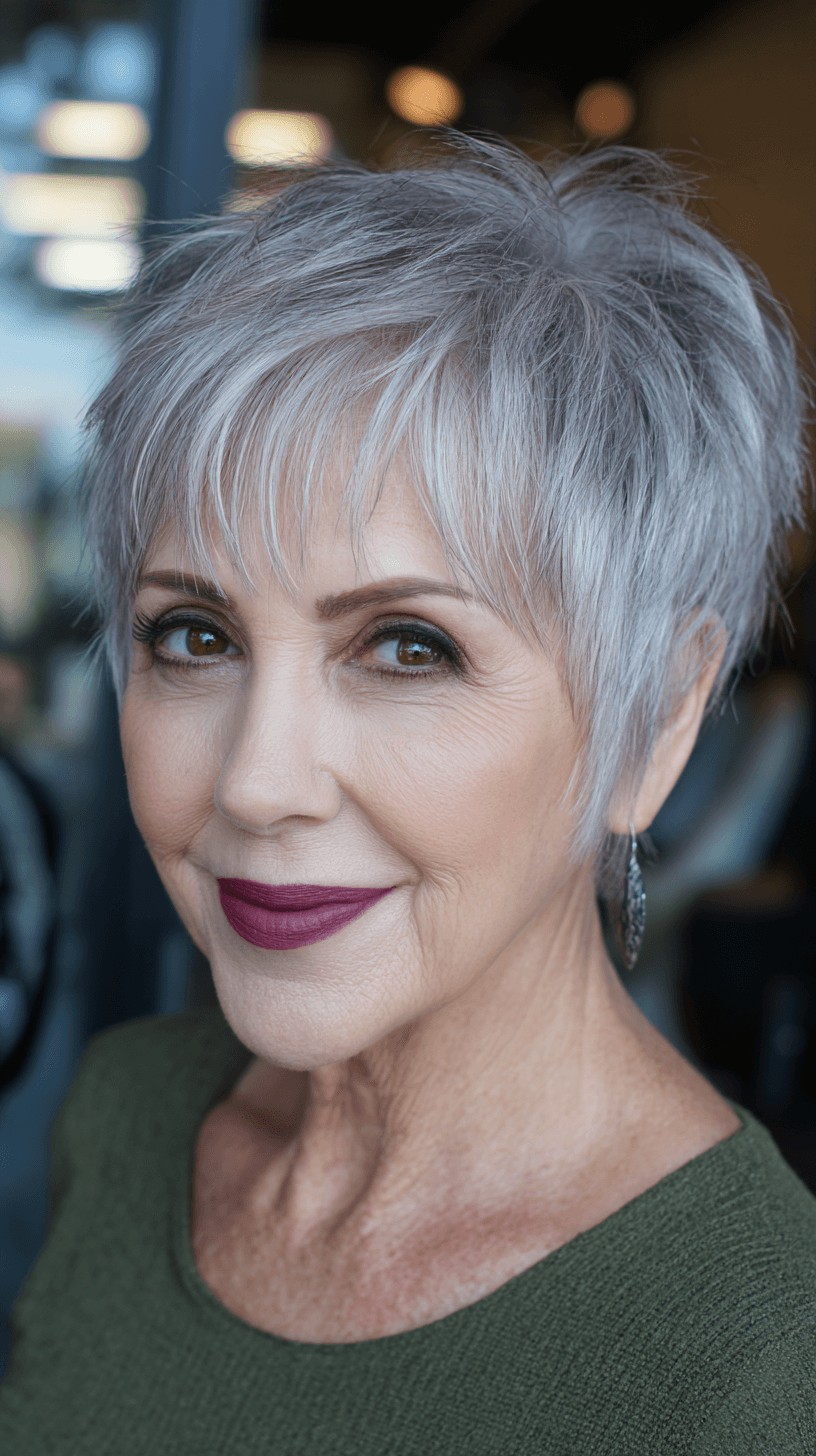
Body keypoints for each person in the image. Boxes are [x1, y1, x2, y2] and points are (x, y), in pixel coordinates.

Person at [1, 132, 814, 1453]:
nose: (257, 783)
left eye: (408, 646)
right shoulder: (133, 1115)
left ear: (655, 718)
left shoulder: (754, 1363)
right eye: (194, 635)